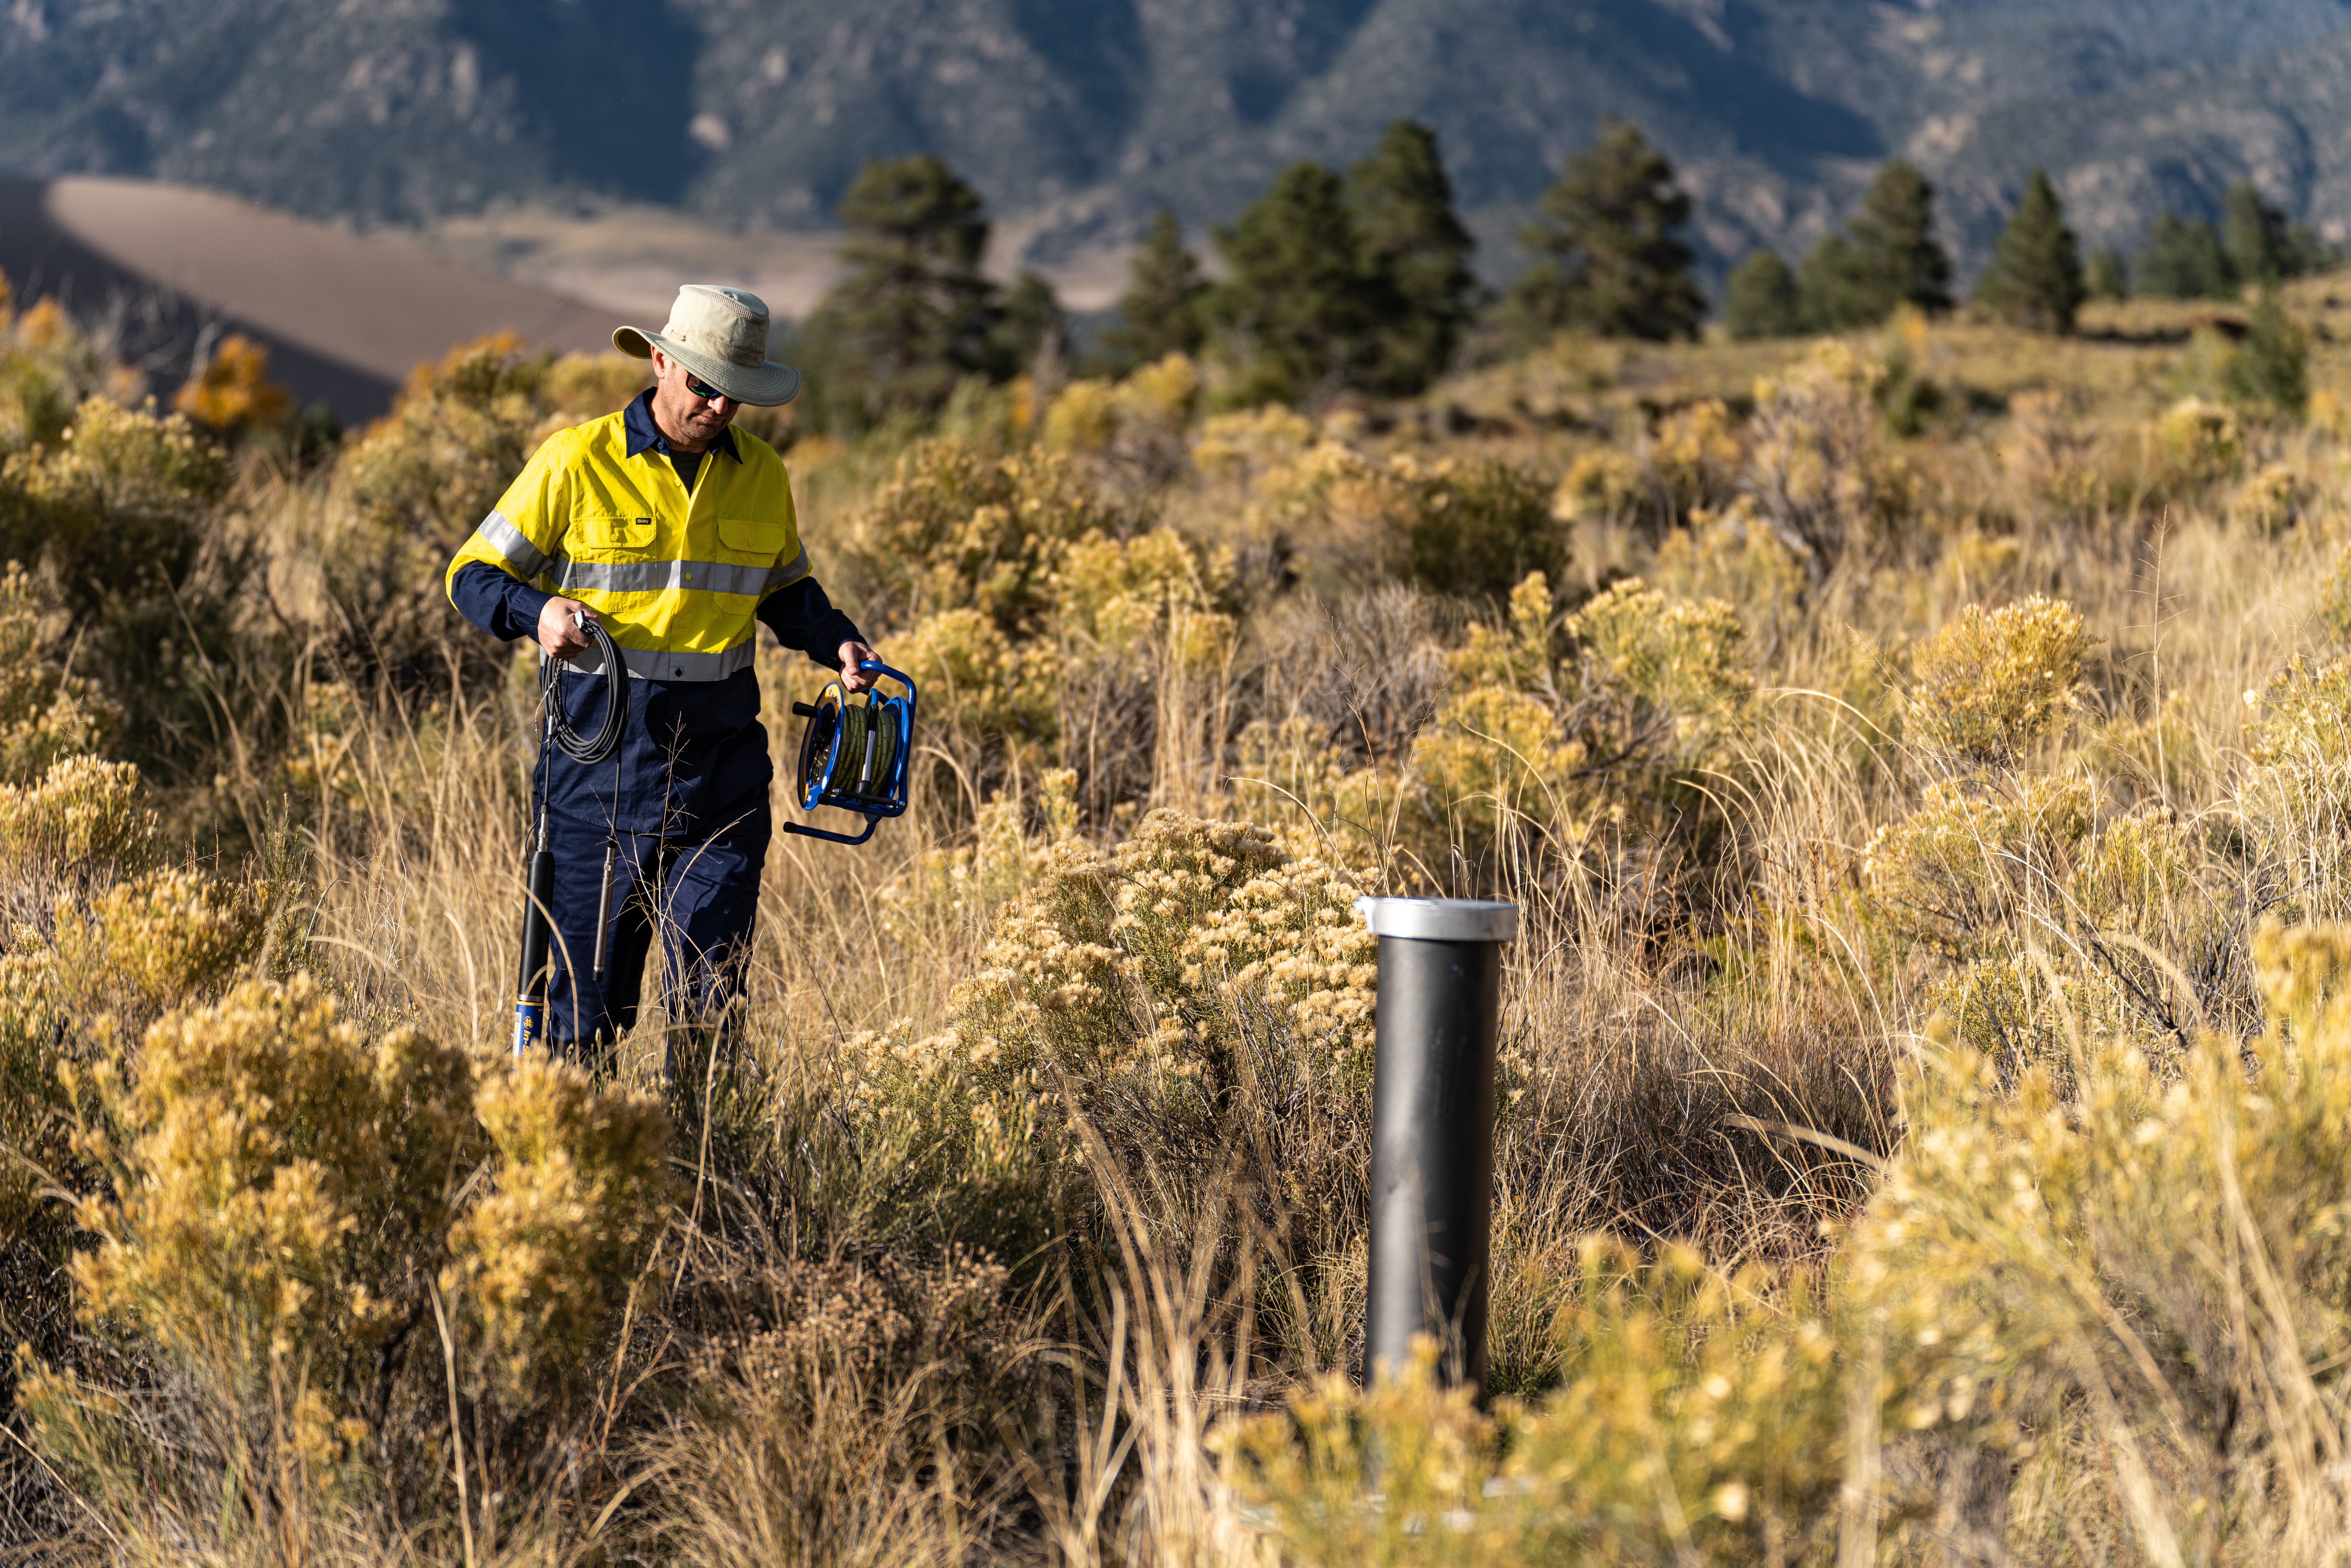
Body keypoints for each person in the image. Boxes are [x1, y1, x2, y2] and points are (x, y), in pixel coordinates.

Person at [445, 283, 873, 1072]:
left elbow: (786, 591)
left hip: (722, 781)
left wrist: (837, 641)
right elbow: (471, 575)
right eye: (704, 385)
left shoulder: (763, 474)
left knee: (711, 1011)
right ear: (660, 361)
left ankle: (705, 1149)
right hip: (597, 784)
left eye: (735, 393)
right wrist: (537, 612)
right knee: (584, 1023)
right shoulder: (576, 459)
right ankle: (576, 1145)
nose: (718, 406)